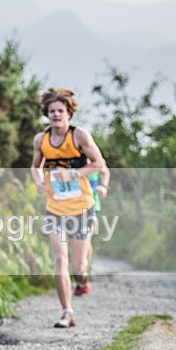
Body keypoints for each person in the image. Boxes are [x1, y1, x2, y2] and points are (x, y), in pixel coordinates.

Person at [31, 88, 106, 328]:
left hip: (82, 206)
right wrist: (39, 181)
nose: (56, 115)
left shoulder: (79, 136)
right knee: (60, 259)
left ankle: (82, 275)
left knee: (77, 264)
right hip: (55, 208)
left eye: (60, 111)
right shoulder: (41, 140)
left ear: (69, 114)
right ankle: (67, 311)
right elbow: (35, 166)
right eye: (52, 111)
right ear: (47, 114)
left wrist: (71, 173)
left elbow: (99, 164)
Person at [75, 165, 110, 296]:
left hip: (92, 207)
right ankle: (81, 273)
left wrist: (104, 186)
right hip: (71, 208)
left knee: (86, 239)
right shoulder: (71, 159)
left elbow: (105, 171)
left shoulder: (93, 158)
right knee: (79, 242)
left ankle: (83, 277)